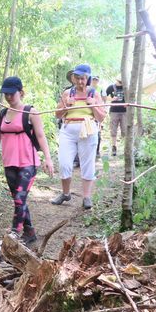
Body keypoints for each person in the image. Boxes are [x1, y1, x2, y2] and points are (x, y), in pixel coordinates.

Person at [0, 77, 54, 244]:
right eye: (5, 94)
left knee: (20, 198)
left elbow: (41, 137)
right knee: (18, 199)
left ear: (20, 92)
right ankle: (30, 232)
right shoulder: (2, 114)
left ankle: (16, 232)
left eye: (11, 93)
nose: (8, 97)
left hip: (28, 162)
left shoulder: (30, 112)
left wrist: (48, 159)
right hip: (9, 163)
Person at [51, 64, 106, 209]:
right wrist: (65, 107)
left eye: (83, 78)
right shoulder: (67, 93)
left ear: (87, 78)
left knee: (88, 164)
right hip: (68, 130)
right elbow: (57, 114)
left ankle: (86, 197)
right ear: (73, 78)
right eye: (77, 78)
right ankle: (65, 193)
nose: (80, 81)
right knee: (64, 163)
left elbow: (101, 118)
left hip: (88, 130)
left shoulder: (94, 94)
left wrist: (93, 105)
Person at [105, 78, 126, 156]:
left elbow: (132, 97)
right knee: (113, 130)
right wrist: (112, 98)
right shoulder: (111, 87)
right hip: (114, 111)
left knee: (124, 130)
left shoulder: (126, 87)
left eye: (122, 82)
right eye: (119, 81)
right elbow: (104, 97)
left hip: (125, 112)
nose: (120, 83)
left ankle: (125, 148)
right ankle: (114, 147)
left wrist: (128, 104)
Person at [90, 76, 106, 158]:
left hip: (98, 111)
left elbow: (104, 100)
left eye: (96, 80)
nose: (95, 81)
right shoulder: (87, 88)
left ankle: (97, 151)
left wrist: (102, 110)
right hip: (89, 112)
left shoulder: (101, 89)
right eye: (93, 79)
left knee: (97, 131)